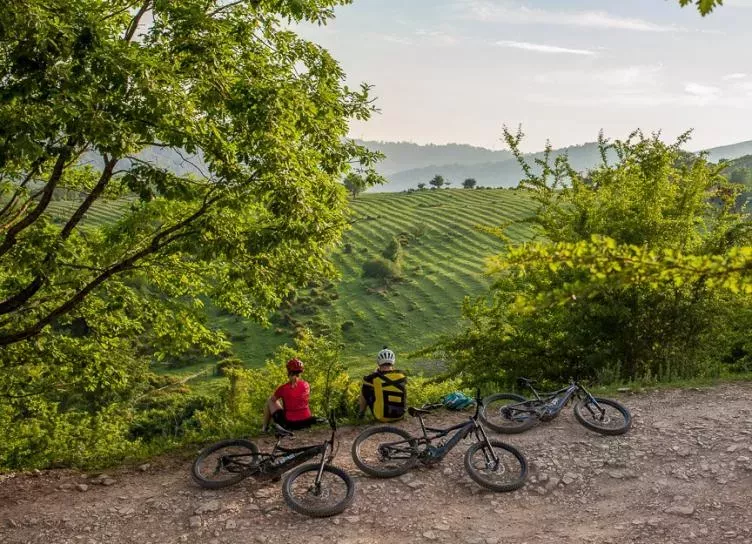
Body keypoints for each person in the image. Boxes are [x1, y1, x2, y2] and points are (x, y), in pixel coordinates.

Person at [262, 358, 322, 432]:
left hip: (290, 423)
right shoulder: (306, 384)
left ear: (288, 372)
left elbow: (273, 400)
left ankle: (264, 428)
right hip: (306, 421)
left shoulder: (283, 388)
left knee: (270, 400)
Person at [358, 347, 407, 422]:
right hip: (400, 416)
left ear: (378, 362)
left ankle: (360, 415)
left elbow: (365, 380)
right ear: (393, 362)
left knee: (365, 388)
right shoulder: (402, 375)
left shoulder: (374, 377)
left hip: (381, 417)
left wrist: (375, 373)